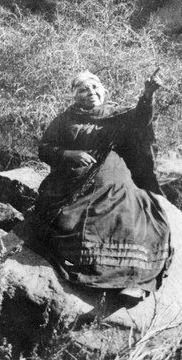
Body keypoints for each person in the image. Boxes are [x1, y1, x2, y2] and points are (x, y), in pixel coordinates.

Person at [35, 69, 172, 303]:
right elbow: (45, 148)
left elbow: (141, 121)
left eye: (95, 87)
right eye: (83, 90)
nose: (91, 93)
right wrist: (69, 154)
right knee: (68, 222)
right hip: (73, 185)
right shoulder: (64, 120)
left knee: (132, 218)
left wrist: (147, 95)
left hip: (114, 180)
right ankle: (96, 271)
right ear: (74, 96)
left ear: (104, 91)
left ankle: (135, 283)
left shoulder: (117, 116)